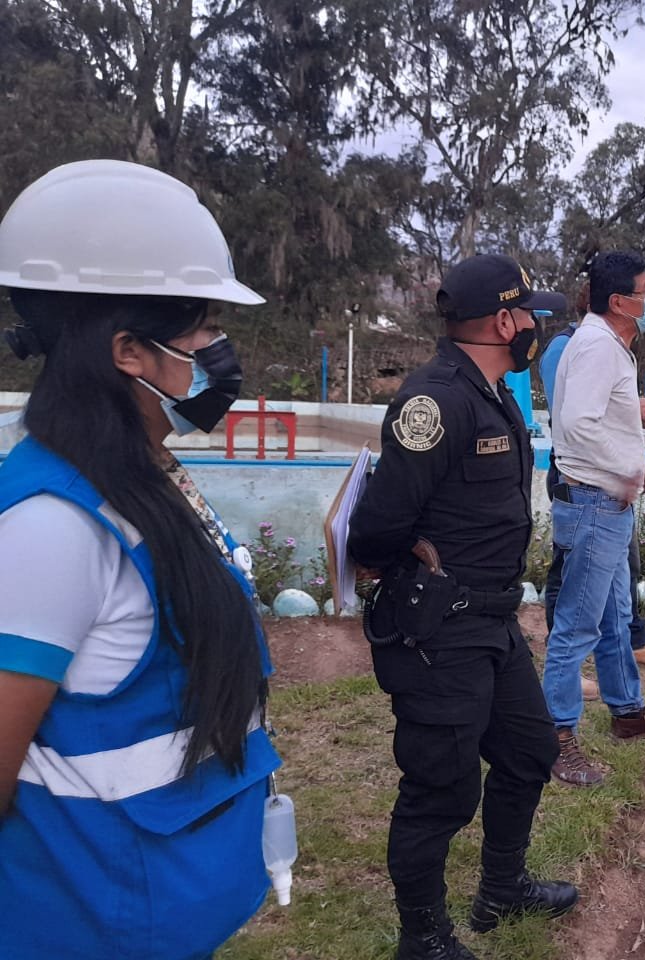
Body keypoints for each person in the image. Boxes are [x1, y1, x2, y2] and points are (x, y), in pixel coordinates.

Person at [0, 160, 281, 959]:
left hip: (152, 913)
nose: (217, 353)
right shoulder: (52, 527)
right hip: (89, 931)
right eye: (197, 332)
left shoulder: (137, 477)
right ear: (128, 350)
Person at [348, 254, 577, 960]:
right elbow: (376, 529)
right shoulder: (433, 401)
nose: (538, 324)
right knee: (440, 791)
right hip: (439, 631)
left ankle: (501, 890)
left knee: (529, 750)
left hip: (491, 622)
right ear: (504, 320)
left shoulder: (496, 391)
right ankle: (423, 939)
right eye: (531, 313)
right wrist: (410, 558)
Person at [542, 250, 645, 787]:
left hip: (605, 504)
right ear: (620, 301)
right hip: (596, 501)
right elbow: (576, 424)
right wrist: (625, 470)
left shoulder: (608, 344)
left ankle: (626, 712)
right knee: (576, 625)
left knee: (616, 614)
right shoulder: (597, 346)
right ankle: (556, 737)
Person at [539, 296, 645, 675]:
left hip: (611, 483)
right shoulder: (569, 346)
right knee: (568, 574)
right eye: (643, 292)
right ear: (611, 302)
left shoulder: (612, 348)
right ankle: (566, 669)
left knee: (623, 572)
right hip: (582, 480)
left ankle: (630, 650)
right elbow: (571, 415)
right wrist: (627, 410)